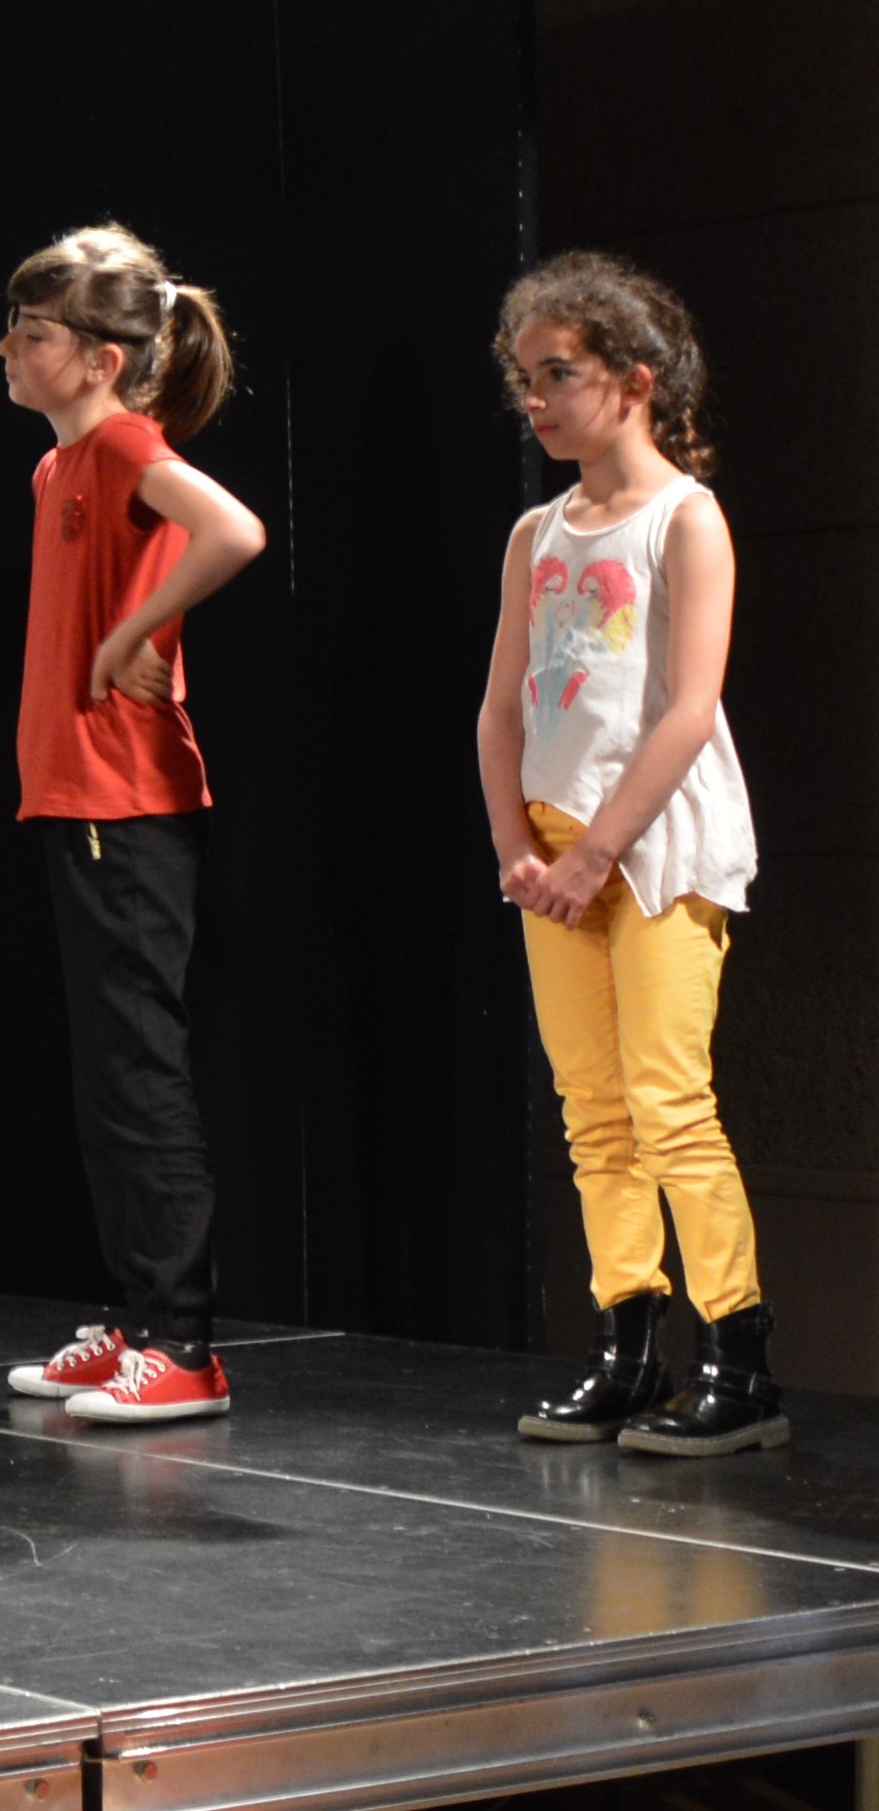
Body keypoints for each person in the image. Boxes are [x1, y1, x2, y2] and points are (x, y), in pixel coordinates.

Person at [477, 252, 780, 1458]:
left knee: (668, 1100)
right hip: (556, 845)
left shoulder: (683, 518)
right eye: (526, 377)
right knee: (592, 1108)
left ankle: (739, 1358)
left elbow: (688, 709)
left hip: (653, 841)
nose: (537, 399)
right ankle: (626, 1348)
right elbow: (502, 705)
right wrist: (517, 842)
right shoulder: (536, 532)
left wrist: (598, 851)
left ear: (636, 380)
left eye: (560, 373)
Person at [0, 227, 265, 1427]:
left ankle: (183, 1343)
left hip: (129, 803)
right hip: (77, 797)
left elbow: (233, 529)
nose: (7, 349)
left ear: (100, 359)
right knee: (107, 1079)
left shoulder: (121, 443)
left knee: (140, 1074)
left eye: (32, 333)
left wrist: (131, 633)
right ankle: (139, 1321)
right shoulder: (60, 467)